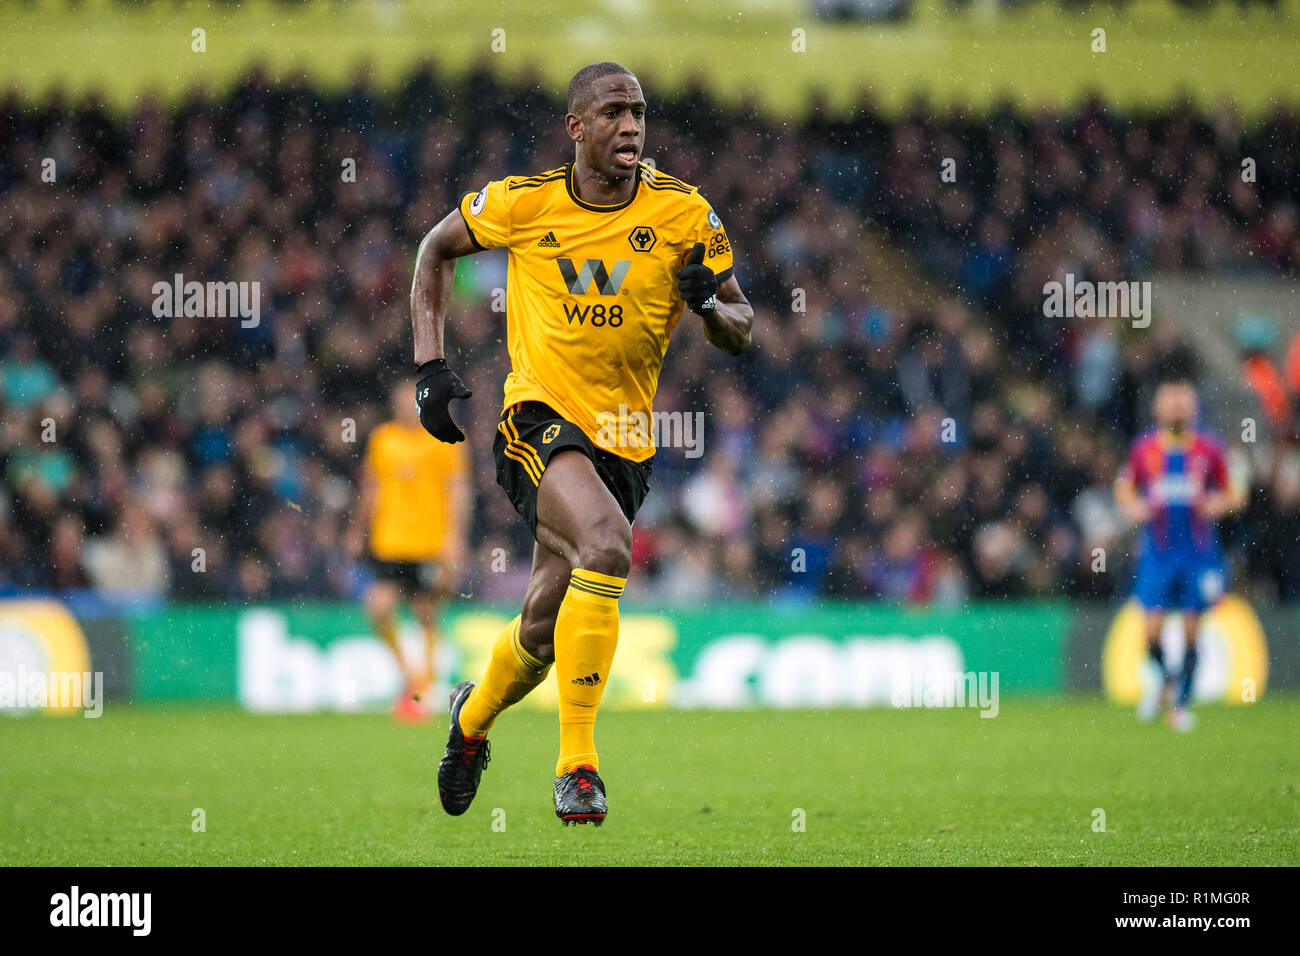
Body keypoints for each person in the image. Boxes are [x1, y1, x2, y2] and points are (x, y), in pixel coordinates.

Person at [409, 62, 753, 824]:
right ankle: (579, 767)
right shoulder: (525, 203)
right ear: (576, 128)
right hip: (536, 420)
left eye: (638, 112)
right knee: (606, 545)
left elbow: (743, 325)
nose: (630, 125)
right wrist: (429, 366)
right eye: (612, 112)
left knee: (541, 625)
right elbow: (433, 249)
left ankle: (469, 723)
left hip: (625, 442)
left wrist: (707, 307)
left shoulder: (685, 213)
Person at [1114, 376, 1246, 731]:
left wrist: (1220, 502)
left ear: (1194, 405)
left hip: (1198, 555)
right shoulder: (1143, 449)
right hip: (1157, 554)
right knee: (1151, 633)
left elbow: (1238, 492)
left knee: (1191, 630)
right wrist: (1134, 507)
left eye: (1182, 399)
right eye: (1169, 399)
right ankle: (1169, 682)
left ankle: (1181, 707)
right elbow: (1124, 489)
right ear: (1157, 407)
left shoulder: (1211, 447)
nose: (1176, 405)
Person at [347, 379, 471, 722]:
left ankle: (421, 692)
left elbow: (458, 489)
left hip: (429, 543)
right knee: (379, 607)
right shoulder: (383, 439)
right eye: (402, 402)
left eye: (414, 403)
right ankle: (414, 681)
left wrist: (455, 537)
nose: (408, 409)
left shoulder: (446, 438)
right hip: (389, 541)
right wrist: (357, 530)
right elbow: (371, 486)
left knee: (426, 613)